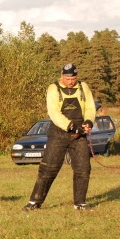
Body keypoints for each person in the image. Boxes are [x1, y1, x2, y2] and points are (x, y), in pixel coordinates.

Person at [23, 63, 96, 211]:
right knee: (48, 169)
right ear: (62, 76)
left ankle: (80, 203)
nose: (71, 82)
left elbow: (90, 107)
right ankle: (34, 202)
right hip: (58, 132)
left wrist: (88, 122)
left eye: (74, 78)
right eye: (68, 79)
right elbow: (54, 113)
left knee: (83, 168)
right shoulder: (53, 88)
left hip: (79, 134)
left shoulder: (83, 87)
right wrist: (71, 126)